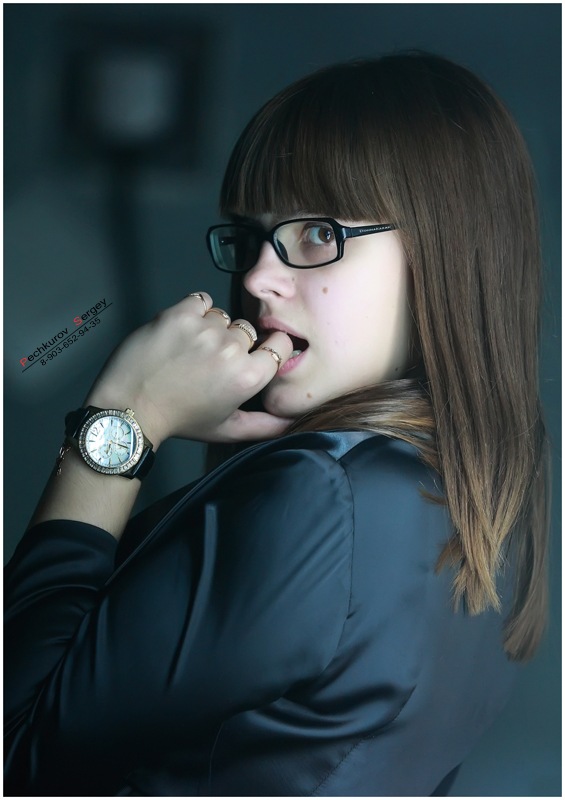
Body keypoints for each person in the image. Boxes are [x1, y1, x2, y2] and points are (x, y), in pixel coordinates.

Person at [4, 51, 549, 797]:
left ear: (443, 251)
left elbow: (15, 750)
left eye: (318, 232)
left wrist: (123, 418)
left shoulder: (324, 494)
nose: (257, 278)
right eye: (250, 237)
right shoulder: (473, 510)